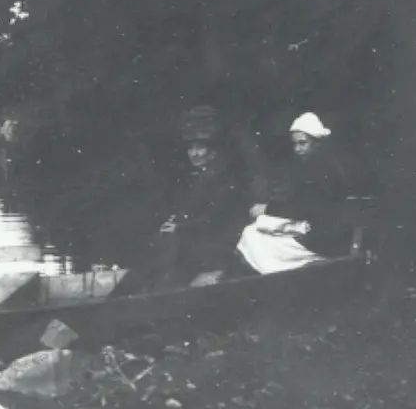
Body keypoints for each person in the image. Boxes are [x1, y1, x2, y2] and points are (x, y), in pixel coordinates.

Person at [117, 105, 252, 295]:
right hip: (201, 235)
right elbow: (190, 209)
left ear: (213, 151)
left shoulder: (225, 179)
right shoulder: (200, 177)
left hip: (220, 242)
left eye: (200, 148)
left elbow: (215, 218)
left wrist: (180, 228)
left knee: (170, 246)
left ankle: (148, 294)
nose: (194, 154)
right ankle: (131, 292)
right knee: (158, 241)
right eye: (191, 148)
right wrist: (175, 220)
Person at [236, 112, 352, 275]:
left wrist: (268, 209)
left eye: (303, 143)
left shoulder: (326, 169)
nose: (297, 149)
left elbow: (306, 206)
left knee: (253, 234)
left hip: (324, 237)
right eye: (295, 144)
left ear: (317, 143)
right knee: (256, 229)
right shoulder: (312, 165)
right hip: (315, 228)